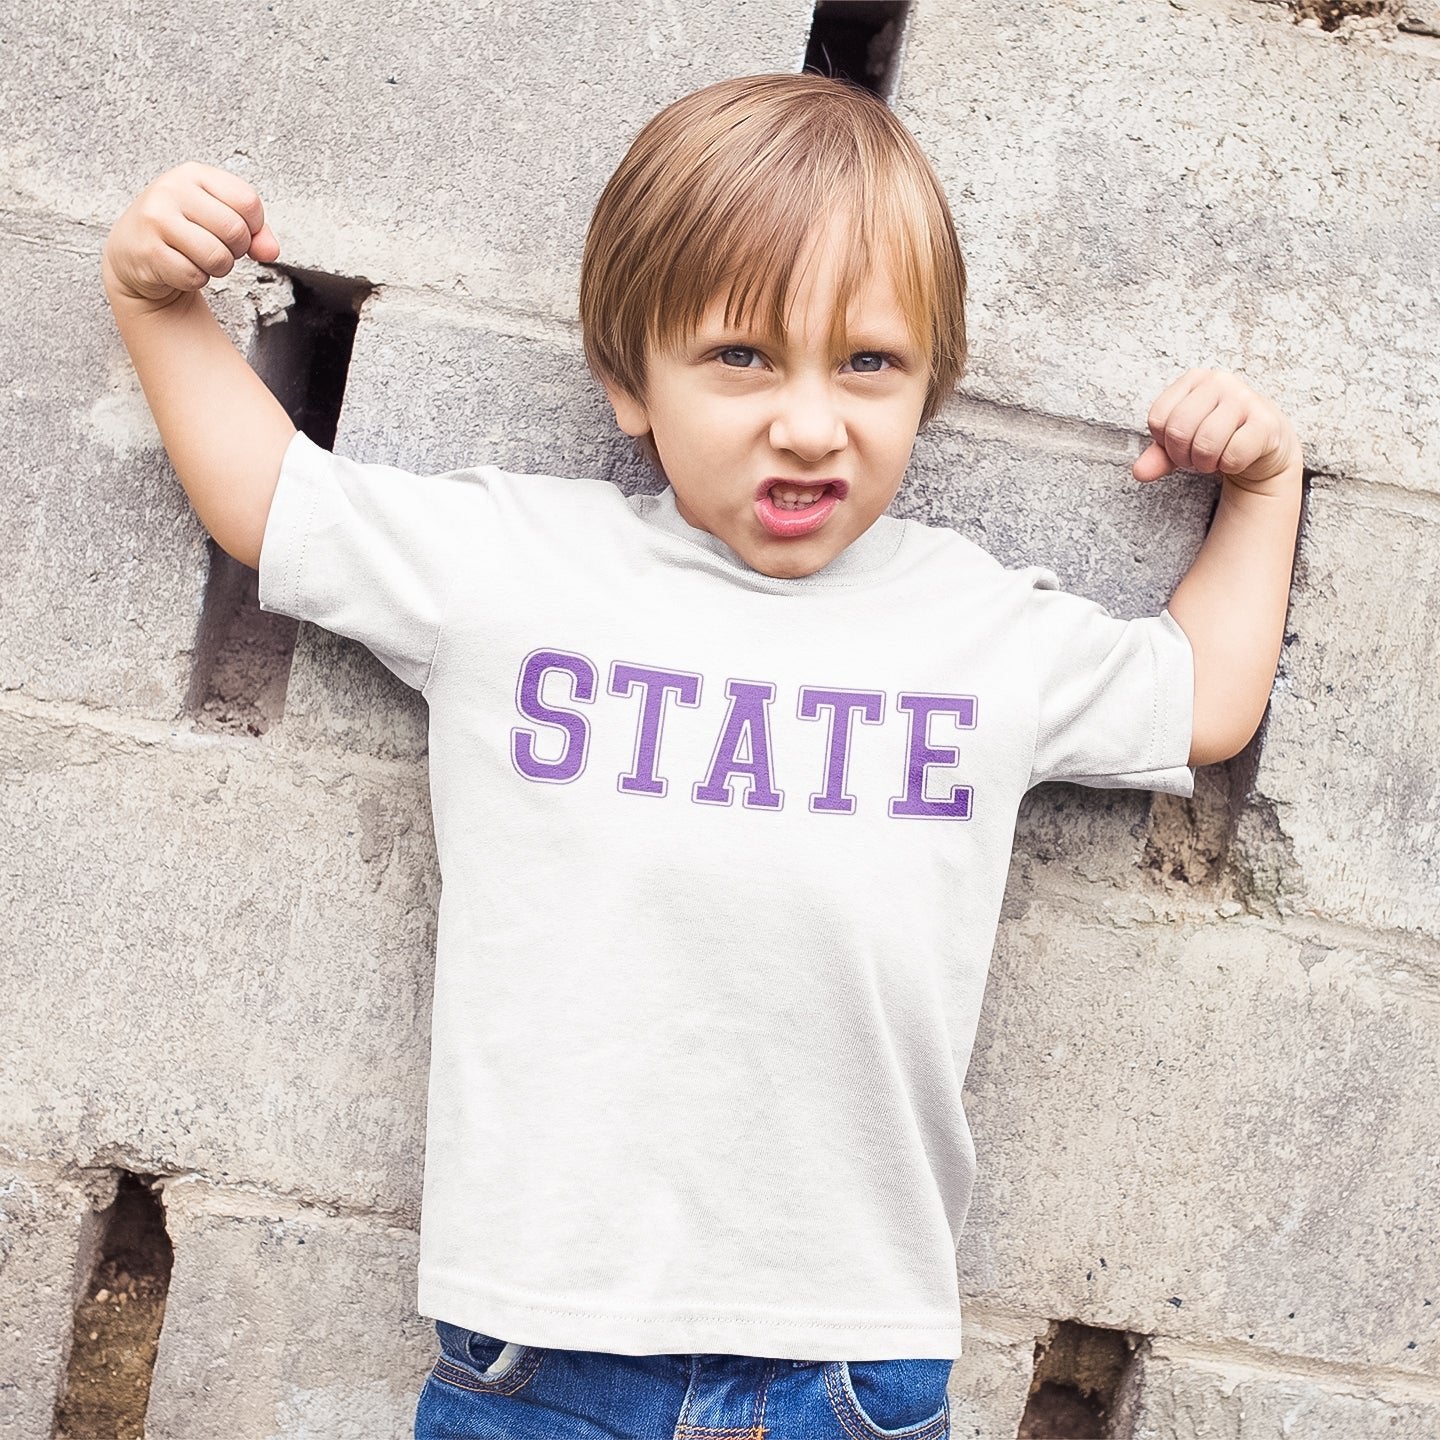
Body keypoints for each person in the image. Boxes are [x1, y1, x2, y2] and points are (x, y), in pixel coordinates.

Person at [101, 72, 1302, 1440]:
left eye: (869, 363)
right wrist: (157, 304)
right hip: (546, 1354)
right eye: (742, 358)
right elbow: (271, 502)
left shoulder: (977, 631)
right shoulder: (521, 571)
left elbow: (1204, 698)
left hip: (845, 1366)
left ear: (929, 385)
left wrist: (1262, 490)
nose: (809, 420)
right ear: (629, 379)